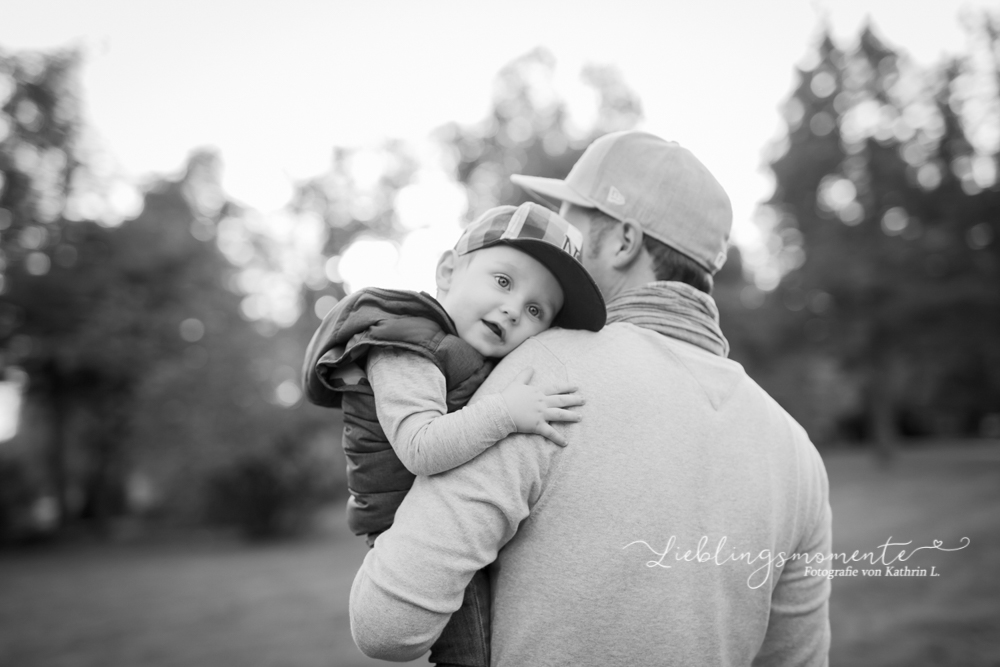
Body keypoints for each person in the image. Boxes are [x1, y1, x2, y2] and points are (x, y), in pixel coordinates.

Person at [349, 130, 832, 666]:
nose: (560, 241)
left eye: (570, 221)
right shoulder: (797, 453)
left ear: (623, 241)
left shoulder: (544, 374)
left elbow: (388, 625)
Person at [303, 202, 606, 667]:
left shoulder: (455, 349)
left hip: (447, 519)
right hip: (415, 537)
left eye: (535, 310)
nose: (512, 309)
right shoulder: (406, 348)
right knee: (472, 653)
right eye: (503, 281)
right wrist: (507, 412)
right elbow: (421, 447)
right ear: (448, 270)